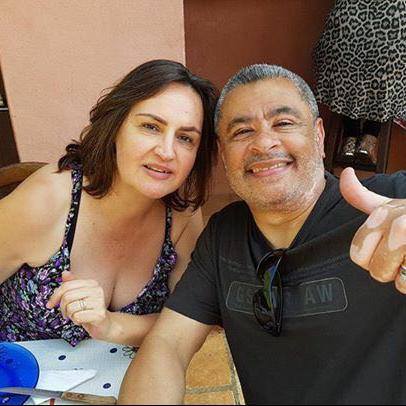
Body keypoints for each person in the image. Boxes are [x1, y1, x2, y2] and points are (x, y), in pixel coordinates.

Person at [118, 64, 406, 405]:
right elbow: (169, 344)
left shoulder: (388, 205)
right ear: (224, 155)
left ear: (318, 136)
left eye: (283, 123)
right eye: (242, 132)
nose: (264, 143)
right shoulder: (223, 236)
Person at [0, 59, 218, 347]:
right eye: (151, 126)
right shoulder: (47, 200)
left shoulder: (182, 211)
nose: (167, 152)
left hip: (121, 374)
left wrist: (111, 325)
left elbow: (189, 322)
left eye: (185, 138)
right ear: (115, 127)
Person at [313, 0, 406, 165]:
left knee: (346, 74)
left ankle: (349, 138)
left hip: (347, 25)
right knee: (390, 71)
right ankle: (370, 138)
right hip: (393, 24)